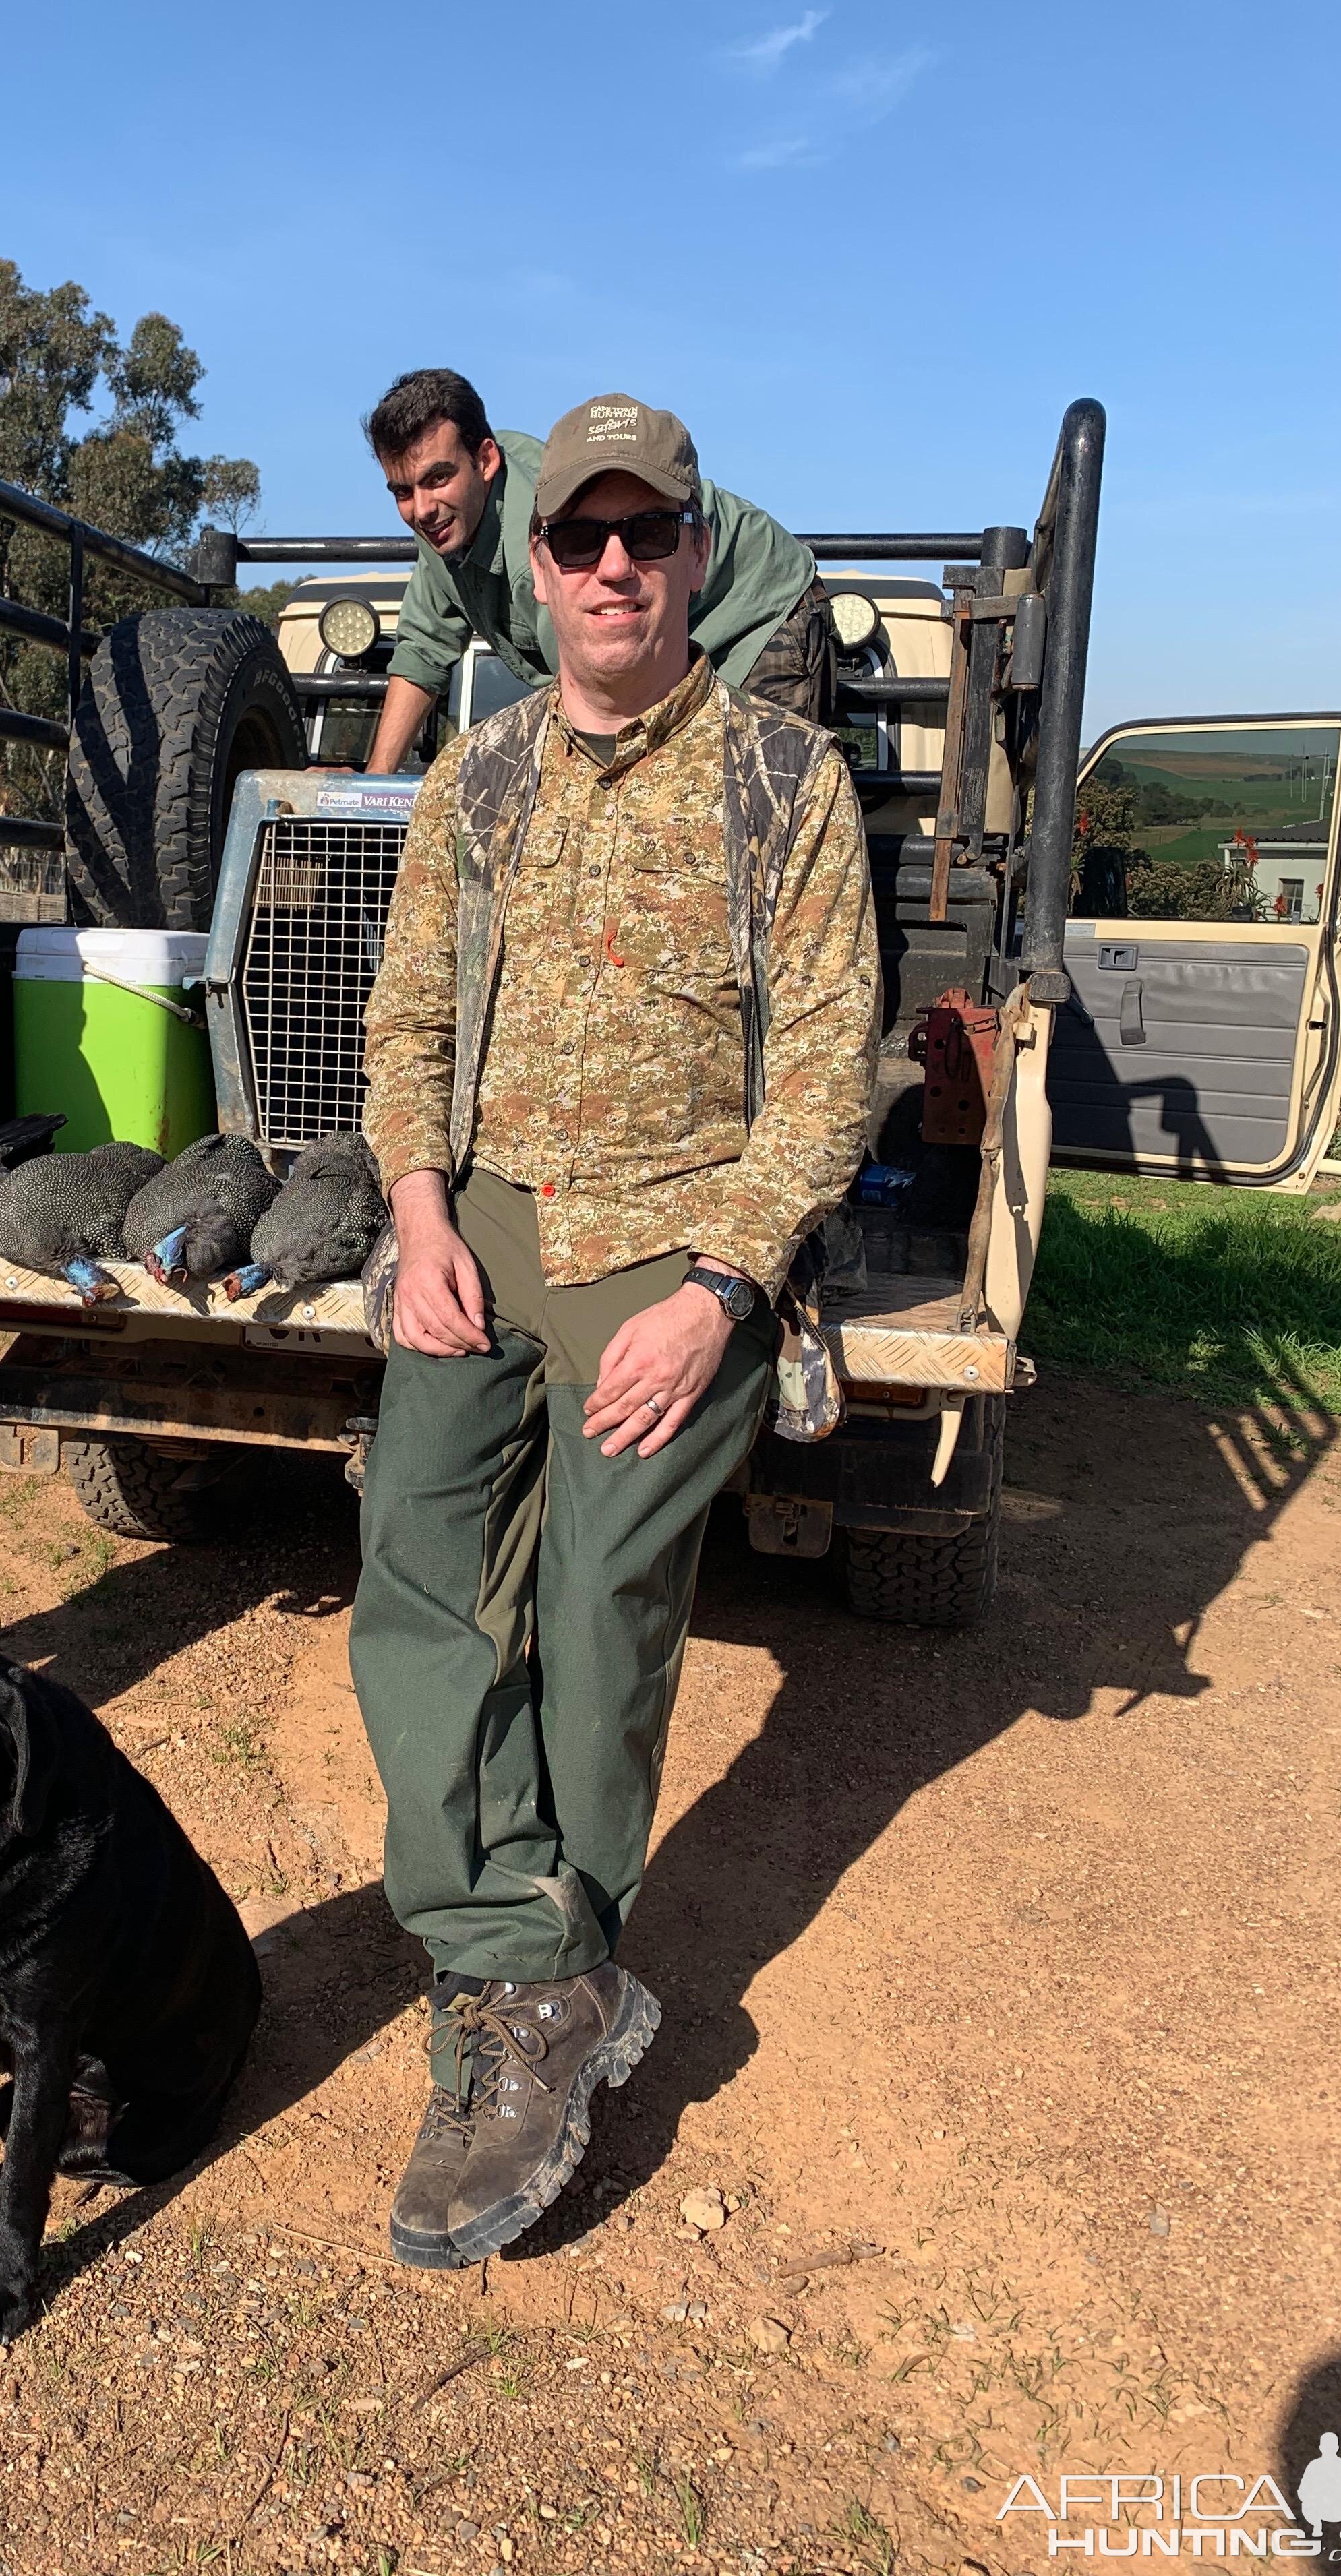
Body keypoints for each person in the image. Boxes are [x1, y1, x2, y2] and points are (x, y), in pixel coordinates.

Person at [351, 394, 879, 2268]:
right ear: (539, 557)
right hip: (480, 1226)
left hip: (677, 1250)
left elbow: (829, 1068)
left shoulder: (779, 781)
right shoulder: (477, 778)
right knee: (416, 1574)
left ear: (688, 550)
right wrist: (415, 1212)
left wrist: (725, 1285)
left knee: (595, 1612)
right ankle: (538, 1974)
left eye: (644, 534)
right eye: (578, 538)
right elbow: (404, 1018)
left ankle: (530, 1990)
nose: (609, 567)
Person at [359, 369, 835, 776]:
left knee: (756, 801)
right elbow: (422, 649)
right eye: (402, 491)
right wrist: (372, 786)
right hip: (662, 624)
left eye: (438, 479)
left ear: (486, 460)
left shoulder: (548, 553)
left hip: (758, 608)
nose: (421, 509)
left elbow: (594, 686)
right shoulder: (445, 525)